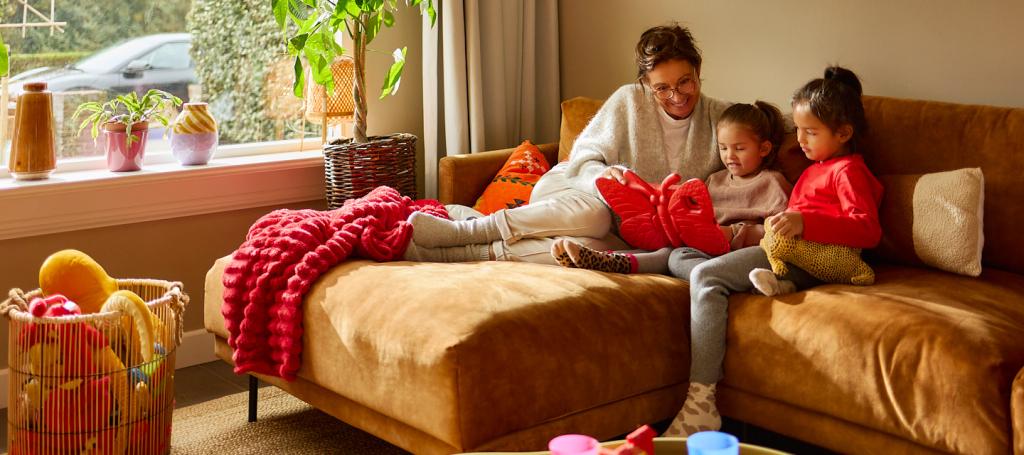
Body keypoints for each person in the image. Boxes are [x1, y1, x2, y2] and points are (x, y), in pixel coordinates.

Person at [661, 66, 884, 436]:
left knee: (705, 275)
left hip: (816, 258)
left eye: (811, 132)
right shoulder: (814, 169)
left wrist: (804, 223)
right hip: (785, 255)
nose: (800, 140)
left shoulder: (847, 171)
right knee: (677, 255)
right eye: (798, 129)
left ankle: (701, 402)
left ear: (844, 133)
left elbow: (868, 230)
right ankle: (763, 283)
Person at [403, 23, 731, 264]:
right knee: (596, 217)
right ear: (646, 84)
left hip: (626, 229)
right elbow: (581, 160)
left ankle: (456, 246)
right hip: (574, 187)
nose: (676, 96)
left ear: (698, 69)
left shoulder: (722, 119)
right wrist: (605, 176)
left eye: (685, 82)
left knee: (588, 252)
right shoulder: (629, 100)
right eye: (662, 88)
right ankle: (467, 232)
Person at [549, 101, 792, 274]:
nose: (729, 156)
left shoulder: (772, 183)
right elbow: (698, 215)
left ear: (764, 149)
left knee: (675, 257)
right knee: (668, 249)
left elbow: (782, 233)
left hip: (738, 252)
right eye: (723, 148)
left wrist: (734, 233)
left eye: (739, 148)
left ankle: (709, 274)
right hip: (700, 246)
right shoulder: (715, 180)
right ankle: (609, 260)